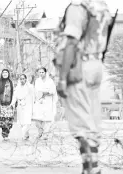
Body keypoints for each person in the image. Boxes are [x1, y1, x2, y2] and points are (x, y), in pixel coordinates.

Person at [55, 0, 112, 173]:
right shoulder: (101, 6)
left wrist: (62, 78)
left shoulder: (78, 7)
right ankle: (91, 167)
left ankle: (91, 169)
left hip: (80, 65)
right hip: (96, 64)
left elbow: (71, 43)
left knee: (80, 122)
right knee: (92, 119)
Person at [32, 67, 58, 139]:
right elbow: (36, 91)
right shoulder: (37, 81)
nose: (41, 74)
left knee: (47, 118)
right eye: (40, 72)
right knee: (37, 118)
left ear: (45, 73)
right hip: (39, 101)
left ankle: (45, 133)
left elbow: (52, 91)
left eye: (42, 72)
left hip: (48, 101)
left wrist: (45, 92)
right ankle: (40, 131)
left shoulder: (50, 81)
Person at [10, 74, 34, 140]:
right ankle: (26, 135)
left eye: (23, 79)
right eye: (21, 79)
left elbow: (33, 97)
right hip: (20, 106)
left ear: (26, 79)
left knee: (27, 121)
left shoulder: (30, 87)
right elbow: (14, 97)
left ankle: (22, 135)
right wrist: (12, 104)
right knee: (21, 122)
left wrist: (33, 107)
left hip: (28, 106)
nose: (22, 80)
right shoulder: (18, 87)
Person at [0, 69, 14, 141]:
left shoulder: (11, 82)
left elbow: (13, 94)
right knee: (2, 120)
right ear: (1, 74)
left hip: (9, 104)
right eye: (3, 72)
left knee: (8, 120)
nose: (5, 74)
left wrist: (13, 103)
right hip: (1, 104)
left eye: (6, 72)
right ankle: (4, 134)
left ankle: (7, 134)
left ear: (8, 74)